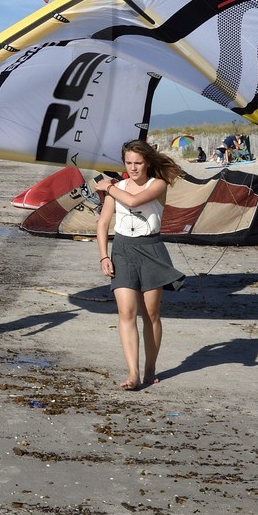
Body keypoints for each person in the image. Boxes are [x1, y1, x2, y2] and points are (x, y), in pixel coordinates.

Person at [94, 140, 186, 391]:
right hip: (122, 250)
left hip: (152, 250)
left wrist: (108, 187)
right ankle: (133, 373)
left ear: (147, 163)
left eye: (138, 163)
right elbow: (102, 224)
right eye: (128, 163)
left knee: (151, 314)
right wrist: (104, 256)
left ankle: (150, 368)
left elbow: (134, 202)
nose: (133, 168)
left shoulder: (158, 184)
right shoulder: (119, 186)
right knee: (126, 312)